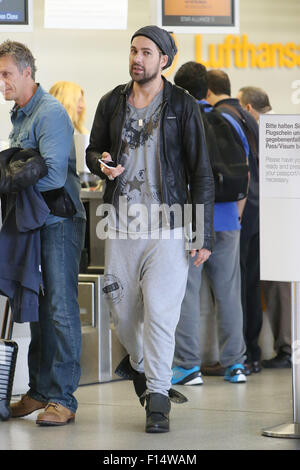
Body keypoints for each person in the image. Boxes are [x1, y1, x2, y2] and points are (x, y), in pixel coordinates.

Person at [86, 26, 214, 433]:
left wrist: (202, 234)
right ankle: (139, 367)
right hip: (121, 226)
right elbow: (93, 150)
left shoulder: (182, 105)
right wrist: (100, 163)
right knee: (122, 316)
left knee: (160, 315)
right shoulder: (111, 102)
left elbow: (201, 173)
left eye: (146, 52)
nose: (137, 58)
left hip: (168, 228)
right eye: (133, 51)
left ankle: (157, 399)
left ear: (165, 60)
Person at [0, 40, 86, 425]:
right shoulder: (20, 115)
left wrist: (13, 175)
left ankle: (64, 398)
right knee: (37, 310)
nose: (2, 82)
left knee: (62, 309)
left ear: (26, 73)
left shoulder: (49, 113)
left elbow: (51, 175)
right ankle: (39, 392)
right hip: (34, 223)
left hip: (59, 223)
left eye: (6, 74)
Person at [172, 62, 248, 385]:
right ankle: (236, 365)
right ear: (207, 90)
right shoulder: (230, 121)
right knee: (229, 291)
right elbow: (244, 171)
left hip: (192, 217)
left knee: (187, 291)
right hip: (229, 215)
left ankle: (188, 367)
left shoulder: (179, 120)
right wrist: (236, 215)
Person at [237, 86, 291, 369]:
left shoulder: (267, 131)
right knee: (268, 284)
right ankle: (279, 349)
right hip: (273, 219)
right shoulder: (281, 126)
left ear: (247, 108)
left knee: (277, 285)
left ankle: (285, 349)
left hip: (274, 219)